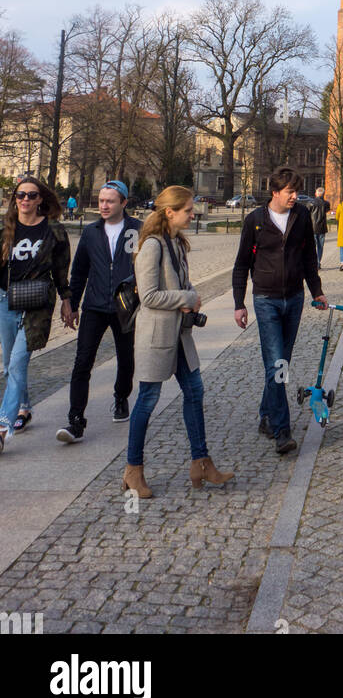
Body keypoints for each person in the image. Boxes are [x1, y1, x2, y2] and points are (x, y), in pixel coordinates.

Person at [123, 186, 233, 498]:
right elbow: (149, 296)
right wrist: (186, 297)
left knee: (195, 392)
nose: (192, 213)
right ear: (169, 212)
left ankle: (201, 463)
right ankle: (133, 470)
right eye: (187, 209)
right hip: (157, 336)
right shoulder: (152, 246)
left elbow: (179, 282)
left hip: (180, 336)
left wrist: (190, 293)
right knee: (147, 400)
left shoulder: (177, 242)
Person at [232, 166, 328, 455]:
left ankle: (266, 414)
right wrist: (239, 304)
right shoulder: (255, 221)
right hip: (266, 300)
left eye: (296, 191)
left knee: (280, 361)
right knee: (277, 366)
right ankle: (282, 431)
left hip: (294, 299)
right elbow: (240, 265)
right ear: (274, 192)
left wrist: (317, 291)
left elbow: (310, 258)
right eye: (290, 191)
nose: (295, 196)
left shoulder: (300, 218)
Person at [56, 181, 141, 443]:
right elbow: (80, 270)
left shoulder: (138, 230)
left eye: (110, 201)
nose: (104, 205)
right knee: (82, 362)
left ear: (124, 203)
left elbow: (148, 266)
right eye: (102, 200)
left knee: (126, 358)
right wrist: (71, 302)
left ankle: (120, 396)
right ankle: (75, 421)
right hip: (94, 305)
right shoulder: (91, 232)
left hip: (124, 307)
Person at [0, 175, 71, 452]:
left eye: (31, 195)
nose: (26, 200)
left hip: (37, 305)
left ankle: (3, 426)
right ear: (14, 199)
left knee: (17, 363)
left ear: (41, 198)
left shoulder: (53, 231)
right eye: (21, 195)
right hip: (5, 300)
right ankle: (25, 407)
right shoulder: (5, 230)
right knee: (8, 364)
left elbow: (61, 271)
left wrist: (67, 302)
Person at [308, 186, 330, 269]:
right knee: (320, 246)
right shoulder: (326, 203)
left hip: (312, 227)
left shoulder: (310, 203)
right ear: (323, 194)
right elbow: (326, 210)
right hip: (322, 227)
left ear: (315, 194)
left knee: (312, 246)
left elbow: (307, 213)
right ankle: (318, 262)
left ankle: (313, 262)